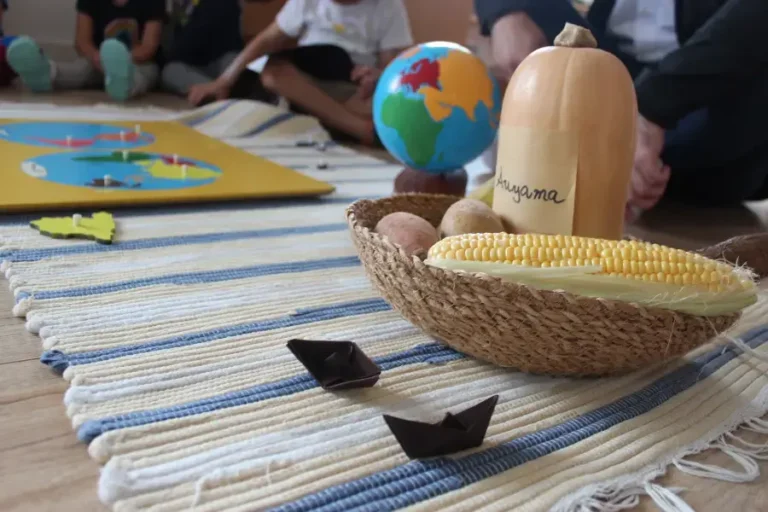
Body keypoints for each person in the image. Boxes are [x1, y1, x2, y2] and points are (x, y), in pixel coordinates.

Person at [474, 0, 768, 218]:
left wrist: (650, 109)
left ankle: (617, 166)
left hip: (715, 83)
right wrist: (506, 12)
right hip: (609, 59)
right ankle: (601, 164)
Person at [186, 0, 414, 144]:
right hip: (302, 77)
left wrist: (377, 76)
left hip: (349, 85)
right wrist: (225, 80)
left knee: (385, 106)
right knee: (273, 72)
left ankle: (315, 115)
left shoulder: (388, 6)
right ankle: (359, 129)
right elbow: (266, 40)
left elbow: (395, 68)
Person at [7, 0, 165, 101]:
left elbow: (148, 47)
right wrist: (98, 58)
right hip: (97, 60)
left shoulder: (152, 3)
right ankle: (45, 74)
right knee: (80, 70)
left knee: (146, 74)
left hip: (139, 63)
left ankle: (127, 86)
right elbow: (82, 42)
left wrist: (122, 60)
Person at [160, 0, 245, 98]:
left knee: (234, 60)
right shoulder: (178, 7)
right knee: (170, 71)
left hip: (222, 61)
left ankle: (216, 91)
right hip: (193, 66)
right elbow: (177, 50)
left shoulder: (223, 4)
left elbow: (232, 43)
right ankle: (215, 92)